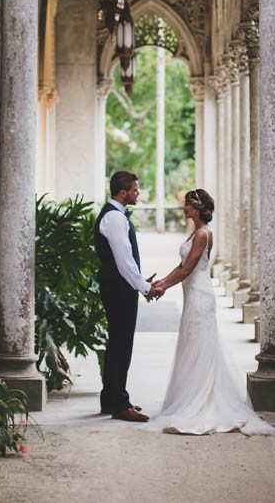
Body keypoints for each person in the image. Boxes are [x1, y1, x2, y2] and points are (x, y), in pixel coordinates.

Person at [149, 189, 275, 436]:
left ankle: (201, 401)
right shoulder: (196, 233)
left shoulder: (203, 234)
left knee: (199, 345)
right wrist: (161, 282)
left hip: (199, 295)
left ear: (196, 209)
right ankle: (192, 396)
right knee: (191, 345)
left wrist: (163, 286)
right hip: (192, 294)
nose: (184, 208)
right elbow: (180, 267)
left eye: (187, 204)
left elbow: (187, 270)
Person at [94, 170, 163, 422]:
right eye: (135, 190)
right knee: (121, 345)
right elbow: (124, 261)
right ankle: (119, 404)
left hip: (118, 285)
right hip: (118, 288)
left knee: (117, 343)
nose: (138, 193)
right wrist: (144, 287)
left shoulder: (114, 215)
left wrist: (141, 282)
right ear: (122, 193)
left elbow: (125, 262)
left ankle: (111, 398)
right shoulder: (114, 218)